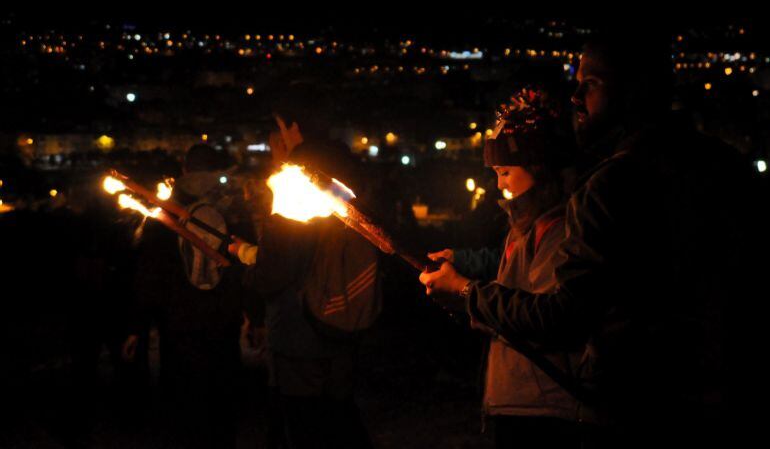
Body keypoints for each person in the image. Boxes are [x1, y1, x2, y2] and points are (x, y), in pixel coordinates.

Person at [420, 28, 759, 447]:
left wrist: (469, 292)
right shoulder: (725, 166)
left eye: (591, 84)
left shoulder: (612, 186)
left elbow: (563, 318)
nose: (576, 98)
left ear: (636, 89)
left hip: (641, 407)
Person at [422, 85, 585, 448]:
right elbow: (508, 269)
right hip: (521, 401)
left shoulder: (560, 231)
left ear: (539, 169)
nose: (499, 184)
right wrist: (461, 264)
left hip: (545, 408)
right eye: (495, 172)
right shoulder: (525, 226)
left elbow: (546, 315)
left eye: (506, 172)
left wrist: (466, 290)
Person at [229, 85, 373, 449]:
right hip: (347, 316)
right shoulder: (350, 170)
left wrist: (250, 271)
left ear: (293, 127)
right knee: (341, 417)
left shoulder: (297, 176)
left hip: (301, 329)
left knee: (307, 425)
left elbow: (277, 265)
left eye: (281, 127)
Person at [124, 144, 244, 449]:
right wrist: (252, 314)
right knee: (221, 401)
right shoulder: (233, 210)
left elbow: (149, 271)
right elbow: (246, 265)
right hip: (221, 320)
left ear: (185, 170)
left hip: (179, 321)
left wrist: (138, 324)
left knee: (184, 403)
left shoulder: (163, 210)